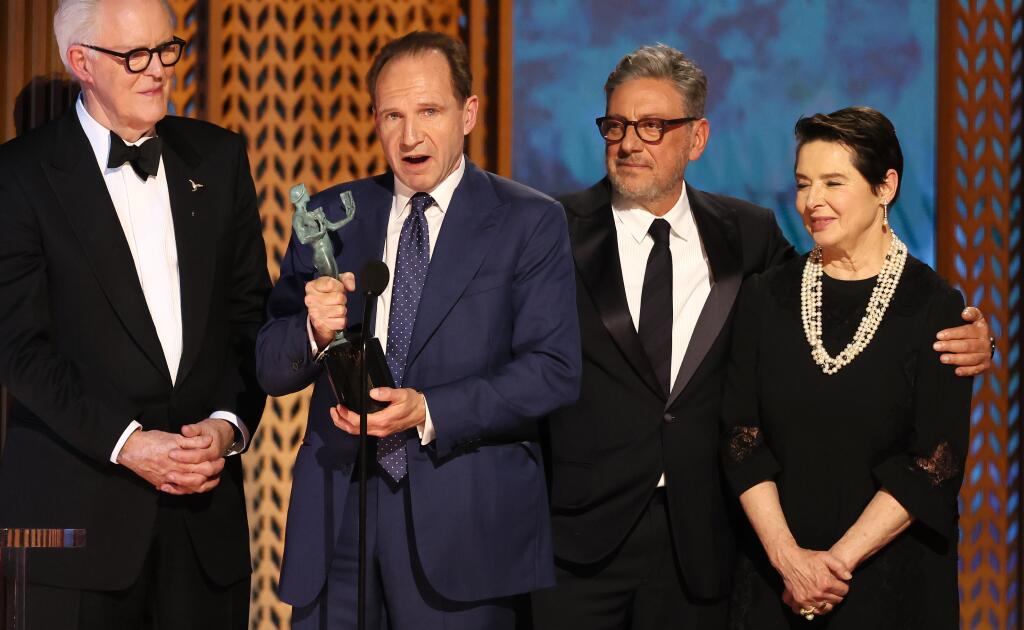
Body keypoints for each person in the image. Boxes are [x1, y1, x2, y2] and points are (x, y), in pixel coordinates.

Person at [532, 45, 992, 630]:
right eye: (616, 125)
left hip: (704, 546)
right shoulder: (549, 230)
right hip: (581, 544)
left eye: (652, 126)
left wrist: (981, 338)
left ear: (697, 138)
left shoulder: (746, 235)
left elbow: (857, 312)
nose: (629, 142)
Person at [256, 31, 581, 629]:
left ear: (469, 113)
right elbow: (270, 368)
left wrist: (429, 408)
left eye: (429, 111)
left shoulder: (529, 221)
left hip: (464, 533)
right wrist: (311, 330)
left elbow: (553, 372)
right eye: (392, 116)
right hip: (337, 527)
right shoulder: (328, 218)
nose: (410, 137)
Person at [0, 0, 269, 626]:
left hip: (203, 531)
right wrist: (128, 443)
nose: (158, 70)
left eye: (166, 50)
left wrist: (226, 424)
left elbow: (251, 318)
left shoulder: (220, 159)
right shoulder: (15, 177)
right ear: (81, 62)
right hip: (75, 537)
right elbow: (18, 349)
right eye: (135, 56)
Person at [721, 106, 972, 628]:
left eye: (834, 182)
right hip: (776, 579)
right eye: (803, 183)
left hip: (889, 582)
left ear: (885, 187)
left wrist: (832, 568)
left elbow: (934, 462)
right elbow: (741, 437)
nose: (812, 201)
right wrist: (790, 561)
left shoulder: (936, 307)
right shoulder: (764, 297)